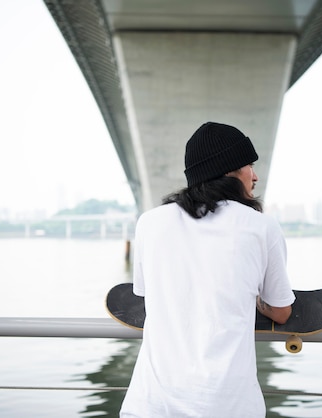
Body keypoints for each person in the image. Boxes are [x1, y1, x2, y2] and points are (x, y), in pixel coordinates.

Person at [120, 121, 295, 417]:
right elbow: (280, 311)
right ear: (229, 170)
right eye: (249, 165)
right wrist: (249, 296)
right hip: (226, 406)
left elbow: (147, 294)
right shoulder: (261, 226)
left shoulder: (149, 223)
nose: (255, 176)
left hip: (149, 405)